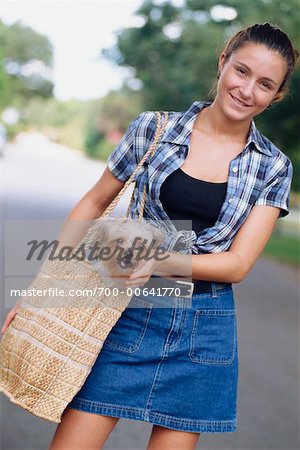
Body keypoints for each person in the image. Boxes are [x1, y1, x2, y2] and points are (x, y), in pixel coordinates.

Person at [1, 22, 299, 450]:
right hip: (125, 312)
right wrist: (42, 290)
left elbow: (236, 265)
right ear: (222, 64)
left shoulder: (273, 166)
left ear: (277, 95)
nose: (247, 90)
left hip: (205, 329)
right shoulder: (153, 130)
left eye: (265, 84)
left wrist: (158, 259)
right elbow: (91, 204)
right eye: (242, 71)